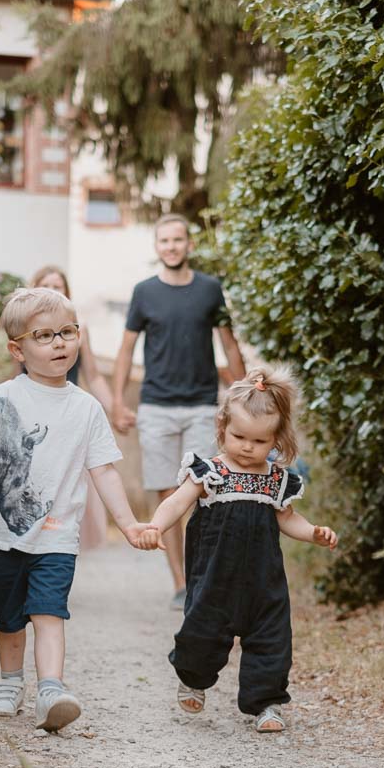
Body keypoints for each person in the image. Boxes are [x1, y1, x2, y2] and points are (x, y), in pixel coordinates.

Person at [0, 287, 148, 732]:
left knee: (49, 610)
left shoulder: (86, 408)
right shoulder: (5, 397)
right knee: (8, 613)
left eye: (67, 332)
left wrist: (130, 523)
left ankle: (51, 690)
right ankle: (9, 681)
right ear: (17, 350)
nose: (59, 342)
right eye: (44, 336)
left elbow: (105, 472)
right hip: (2, 529)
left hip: (58, 533)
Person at [137, 366, 338, 734]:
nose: (247, 447)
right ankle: (194, 679)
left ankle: (266, 703)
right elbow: (177, 502)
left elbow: (288, 519)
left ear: (276, 440)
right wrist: (155, 526)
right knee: (203, 630)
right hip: (215, 576)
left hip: (264, 579)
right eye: (238, 436)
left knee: (272, 637)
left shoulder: (277, 480)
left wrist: (314, 533)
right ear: (222, 429)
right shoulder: (209, 472)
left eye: (259, 442)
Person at [111, 214, 246, 611]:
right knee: (168, 493)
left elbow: (230, 345)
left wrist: (241, 398)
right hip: (156, 407)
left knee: (203, 494)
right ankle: (180, 583)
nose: (171, 246)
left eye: (177, 240)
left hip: (203, 406)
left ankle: (202, 577)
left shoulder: (210, 289)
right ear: (157, 247)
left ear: (189, 244)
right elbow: (125, 350)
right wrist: (119, 401)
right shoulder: (144, 293)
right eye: (164, 241)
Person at [28, 265, 117, 549]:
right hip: (33, 416)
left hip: (66, 416)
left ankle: (56, 551)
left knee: (65, 485)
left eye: (59, 286)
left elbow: (94, 376)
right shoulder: (24, 330)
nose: (54, 291)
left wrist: (114, 409)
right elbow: (14, 374)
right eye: (47, 286)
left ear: (67, 293)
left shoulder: (79, 331)